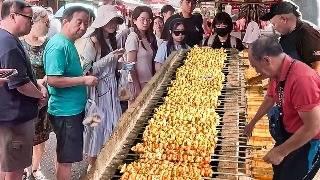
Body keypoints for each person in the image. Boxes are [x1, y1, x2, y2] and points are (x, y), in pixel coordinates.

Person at [244, 37, 320, 180]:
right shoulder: (278, 72)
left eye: (255, 66)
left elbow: (314, 126)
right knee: (279, 172)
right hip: (290, 132)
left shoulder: (302, 80)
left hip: (309, 141)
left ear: (266, 60)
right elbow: (270, 98)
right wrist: (252, 123)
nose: (255, 71)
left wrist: (281, 151)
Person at [43, 6, 98, 180]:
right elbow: (53, 80)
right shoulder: (59, 45)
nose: (83, 27)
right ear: (65, 21)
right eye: (79, 22)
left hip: (71, 110)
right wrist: (83, 80)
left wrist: (81, 76)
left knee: (63, 155)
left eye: (86, 24)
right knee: (66, 159)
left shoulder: (68, 43)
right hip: (66, 112)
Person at [0, 1, 47, 180]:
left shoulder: (7, 39)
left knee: (7, 165)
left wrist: (37, 85)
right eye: (29, 18)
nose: (31, 22)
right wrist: (40, 94)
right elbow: (20, 84)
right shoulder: (9, 43)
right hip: (15, 119)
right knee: (14, 169)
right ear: (12, 16)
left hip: (10, 117)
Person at [75, 5, 123, 167]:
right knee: (95, 130)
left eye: (115, 21)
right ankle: (92, 168)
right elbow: (86, 71)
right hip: (96, 94)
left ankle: (107, 165)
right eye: (110, 20)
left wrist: (122, 66)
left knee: (114, 125)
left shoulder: (112, 39)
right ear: (102, 21)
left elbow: (113, 66)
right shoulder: (92, 41)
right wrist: (110, 58)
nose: (113, 24)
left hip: (111, 91)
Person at [20, 6, 50, 179]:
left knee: (41, 135)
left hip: (43, 95)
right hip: (25, 94)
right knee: (24, 135)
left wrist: (44, 80)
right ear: (34, 21)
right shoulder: (20, 42)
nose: (47, 25)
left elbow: (52, 67)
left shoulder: (48, 42)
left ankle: (36, 168)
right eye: (45, 22)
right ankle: (23, 167)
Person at [260, 1, 320, 71]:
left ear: (284, 19)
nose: (274, 28)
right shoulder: (286, 35)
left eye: (274, 24)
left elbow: (318, 69)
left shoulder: (307, 34)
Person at [125, 6, 157, 102]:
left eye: (148, 20)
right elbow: (129, 65)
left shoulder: (147, 38)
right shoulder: (133, 37)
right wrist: (137, 87)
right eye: (142, 19)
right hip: (137, 84)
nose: (145, 22)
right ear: (134, 20)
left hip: (148, 81)